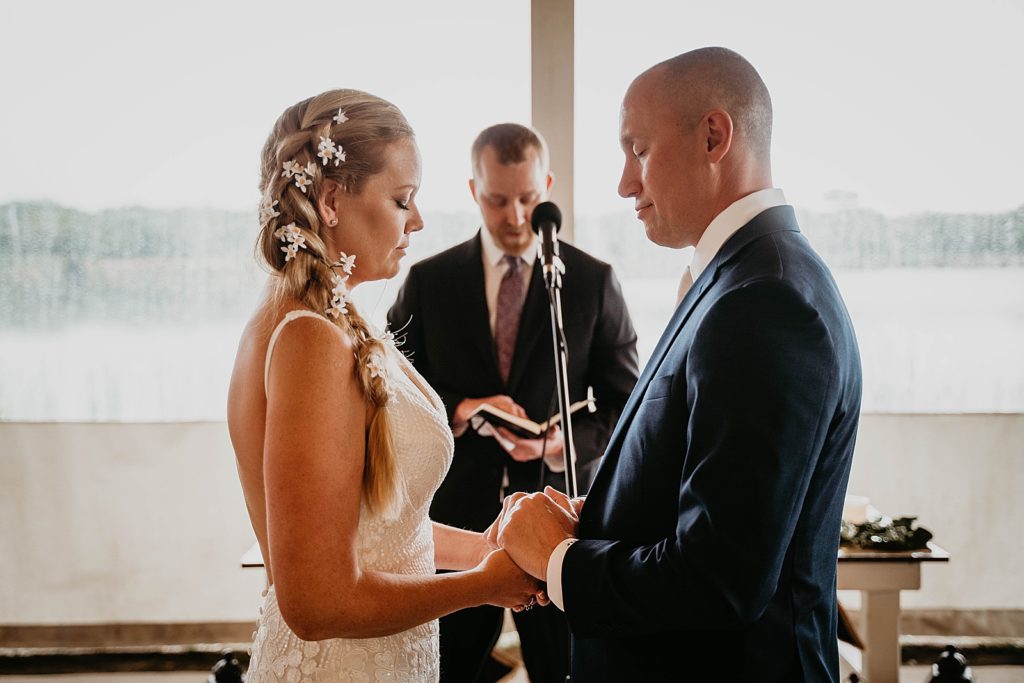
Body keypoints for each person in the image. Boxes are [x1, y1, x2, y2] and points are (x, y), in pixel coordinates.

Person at [494, 48, 864, 681]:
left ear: (714, 136)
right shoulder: (738, 279)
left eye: (637, 149)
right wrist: (604, 517)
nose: (624, 183)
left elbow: (721, 578)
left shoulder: (764, 300)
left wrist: (559, 561)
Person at [226, 90, 541, 683]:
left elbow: (373, 533)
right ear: (331, 200)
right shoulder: (309, 340)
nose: (417, 221)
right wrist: (481, 588)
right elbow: (317, 603)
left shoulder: (319, 320)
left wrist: (483, 549)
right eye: (403, 199)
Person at [387, 123, 639, 682]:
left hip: (558, 522)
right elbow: (388, 390)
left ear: (546, 185)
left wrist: (559, 445)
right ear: (474, 190)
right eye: (499, 200)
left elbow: (626, 404)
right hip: (453, 521)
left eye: (529, 199)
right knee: (444, 671)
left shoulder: (592, 281)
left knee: (564, 671)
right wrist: (460, 407)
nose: (516, 216)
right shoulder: (429, 282)